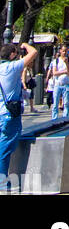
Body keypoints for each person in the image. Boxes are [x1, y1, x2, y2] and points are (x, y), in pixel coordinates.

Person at [0, 40, 36, 186]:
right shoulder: (12, 67)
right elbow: (33, 52)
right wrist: (25, 45)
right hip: (9, 114)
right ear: (13, 54)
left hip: (1, 112)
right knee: (5, 147)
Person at [47, 45, 69, 121]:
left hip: (66, 84)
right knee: (55, 103)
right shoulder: (56, 61)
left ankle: (65, 118)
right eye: (63, 51)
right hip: (58, 84)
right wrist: (64, 71)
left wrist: (67, 64)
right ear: (60, 51)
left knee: (66, 103)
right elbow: (54, 72)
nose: (64, 53)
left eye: (66, 51)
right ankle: (54, 119)